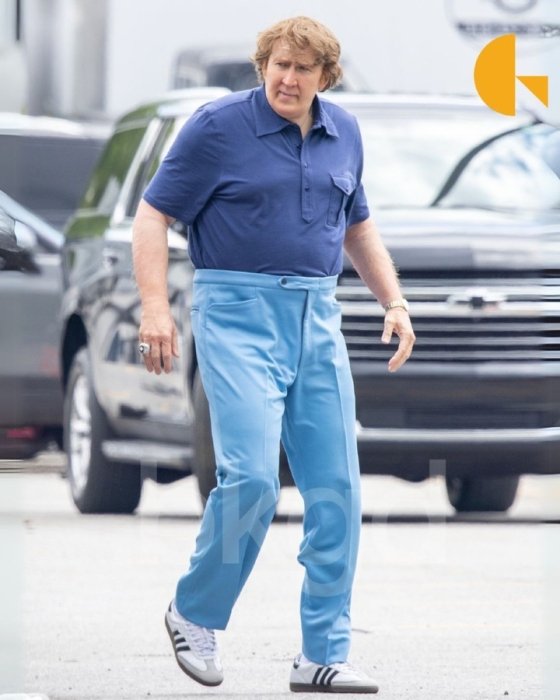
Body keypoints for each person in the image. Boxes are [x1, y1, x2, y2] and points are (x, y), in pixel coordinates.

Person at [132, 15, 415, 694]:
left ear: (325, 76)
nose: (288, 79)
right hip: (236, 314)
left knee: (337, 491)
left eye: (302, 68)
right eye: (278, 65)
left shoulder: (344, 132)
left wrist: (394, 302)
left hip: (317, 315)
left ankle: (323, 654)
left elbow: (357, 225)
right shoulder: (216, 127)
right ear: (263, 66)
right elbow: (153, 215)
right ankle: (194, 612)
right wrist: (155, 309)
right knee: (253, 481)